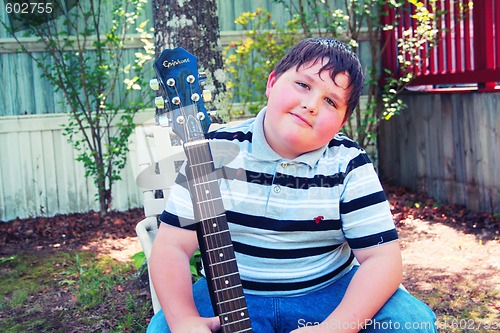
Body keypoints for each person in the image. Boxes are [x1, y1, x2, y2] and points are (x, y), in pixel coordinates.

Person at [147, 38, 437, 333]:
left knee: (409, 323)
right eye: (303, 85)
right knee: (165, 329)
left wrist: (334, 328)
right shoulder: (213, 150)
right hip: (229, 292)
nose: (311, 105)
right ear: (272, 83)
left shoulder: (349, 164)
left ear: (342, 122)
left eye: (330, 101)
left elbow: (382, 259)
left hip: (327, 291)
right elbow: (172, 246)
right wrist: (184, 319)